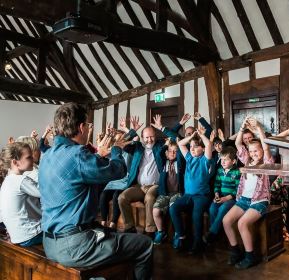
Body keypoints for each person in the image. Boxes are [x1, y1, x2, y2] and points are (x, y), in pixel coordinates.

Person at [38, 103, 153, 280]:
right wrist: (116, 150)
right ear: (82, 127)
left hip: (50, 242)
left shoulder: (47, 155)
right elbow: (118, 170)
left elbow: (84, 173)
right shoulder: (77, 154)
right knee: (144, 244)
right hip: (75, 247)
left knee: (112, 234)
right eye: (88, 125)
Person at [222, 117, 274, 269]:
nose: (254, 153)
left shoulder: (265, 163)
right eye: (251, 151)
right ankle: (235, 251)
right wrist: (242, 127)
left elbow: (265, 148)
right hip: (244, 199)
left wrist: (258, 129)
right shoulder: (246, 161)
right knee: (226, 221)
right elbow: (238, 143)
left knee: (242, 223)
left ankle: (250, 256)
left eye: (256, 150)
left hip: (259, 201)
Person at [170, 126, 212, 254]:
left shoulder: (205, 160)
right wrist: (192, 136)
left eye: (195, 146)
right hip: (188, 195)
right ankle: (181, 235)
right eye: (191, 146)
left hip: (202, 196)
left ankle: (198, 242)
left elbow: (209, 144)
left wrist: (201, 134)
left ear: (203, 149)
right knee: (173, 207)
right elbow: (180, 143)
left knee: (196, 214)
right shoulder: (188, 158)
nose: (192, 149)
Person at [0, 142, 42, 247]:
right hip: (30, 235)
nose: (33, 159)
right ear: (15, 162)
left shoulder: (8, 180)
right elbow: (47, 192)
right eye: (29, 157)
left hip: (17, 236)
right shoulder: (21, 180)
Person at [204, 146, 241, 244]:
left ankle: (212, 233)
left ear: (233, 161)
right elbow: (217, 184)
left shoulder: (237, 172)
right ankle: (215, 233)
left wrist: (227, 198)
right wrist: (216, 194)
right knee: (212, 209)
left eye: (226, 160)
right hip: (220, 196)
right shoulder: (220, 170)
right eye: (221, 159)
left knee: (222, 208)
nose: (222, 162)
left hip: (232, 199)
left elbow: (238, 189)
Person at [151, 140, 184, 245]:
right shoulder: (163, 164)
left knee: (172, 210)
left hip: (177, 193)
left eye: (175, 151)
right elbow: (158, 154)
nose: (172, 153)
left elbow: (180, 156)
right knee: (156, 211)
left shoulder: (179, 164)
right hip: (164, 193)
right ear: (166, 152)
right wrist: (166, 145)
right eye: (170, 151)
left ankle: (177, 234)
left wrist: (178, 146)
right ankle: (161, 232)